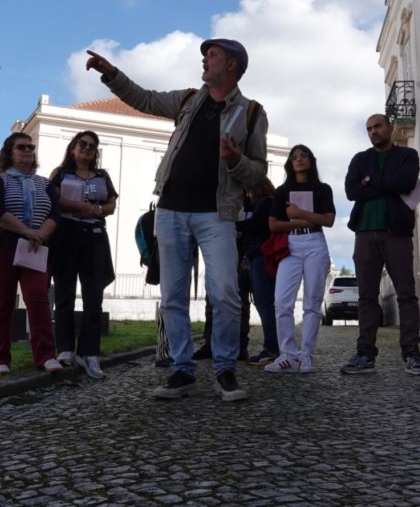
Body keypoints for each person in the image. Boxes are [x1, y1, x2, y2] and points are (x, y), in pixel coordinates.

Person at [85, 39, 267, 401]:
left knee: (226, 294)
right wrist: (112, 76)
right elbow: (145, 99)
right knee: (172, 296)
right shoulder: (188, 100)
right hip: (170, 210)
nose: (205, 59)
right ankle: (182, 370)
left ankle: (225, 369)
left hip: (217, 215)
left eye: (212, 55)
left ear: (232, 65)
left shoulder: (251, 112)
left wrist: (234, 160)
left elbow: (258, 172)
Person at [340, 114, 420, 376]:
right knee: (366, 296)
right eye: (368, 128)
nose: (373, 131)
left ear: (390, 127)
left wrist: (371, 181)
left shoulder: (407, 156)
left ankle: (412, 353)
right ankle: (365, 354)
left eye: (378, 126)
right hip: (365, 234)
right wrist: (385, 183)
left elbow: (406, 183)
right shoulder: (360, 159)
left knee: (406, 293)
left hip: (397, 233)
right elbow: (351, 192)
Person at [0, 132, 61, 375]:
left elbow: (54, 214)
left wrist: (39, 234)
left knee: (38, 297)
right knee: (2, 301)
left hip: (36, 246)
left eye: (31, 147)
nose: (28, 151)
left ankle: (46, 355)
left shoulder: (45, 183)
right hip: (2, 245)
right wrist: (27, 231)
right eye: (21, 147)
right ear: (10, 152)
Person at [49, 130, 118, 380]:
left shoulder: (102, 176)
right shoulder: (61, 173)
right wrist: (78, 207)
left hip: (95, 236)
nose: (87, 148)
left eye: (92, 146)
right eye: (83, 144)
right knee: (65, 293)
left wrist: (97, 209)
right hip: (66, 234)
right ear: (73, 147)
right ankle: (65, 349)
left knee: (93, 297)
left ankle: (90, 353)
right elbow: (52, 199)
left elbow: (111, 204)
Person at [264, 145, 335, 373]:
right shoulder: (282, 191)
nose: (299, 159)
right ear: (290, 164)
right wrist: (308, 220)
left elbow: (330, 220)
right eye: (294, 157)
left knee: (312, 303)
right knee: (282, 301)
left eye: (303, 155)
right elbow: (273, 225)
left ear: (311, 160)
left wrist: (299, 214)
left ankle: (306, 355)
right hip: (291, 244)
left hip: (315, 244)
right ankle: (288, 354)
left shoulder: (323, 189)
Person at [238, 180, 279, 366]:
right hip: (260, 257)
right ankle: (272, 346)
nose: (248, 196)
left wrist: (231, 224)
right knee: (265, 302)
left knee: (264, 302)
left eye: (249, 192)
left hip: (261, 257)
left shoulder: (266, 203)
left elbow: (254, 223)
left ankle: (272, 348)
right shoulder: (269, 203)